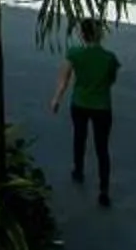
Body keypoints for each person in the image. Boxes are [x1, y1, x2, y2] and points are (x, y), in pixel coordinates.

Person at [49, 17, 121, 207]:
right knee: (102, 147)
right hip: (102, 105)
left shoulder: (74, 54)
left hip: (80, 102)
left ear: (82, 34)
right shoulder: (110, 58)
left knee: (79, 137)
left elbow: (64, 79)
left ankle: (78, 170)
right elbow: (111, 81)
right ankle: (104, 189)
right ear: (100, 34)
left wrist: (56, 99)